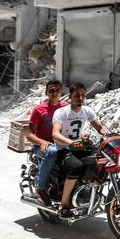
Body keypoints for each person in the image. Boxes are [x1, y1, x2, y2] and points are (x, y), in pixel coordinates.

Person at [52, 83, 109, 217]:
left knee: (101, 159)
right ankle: (64, 202)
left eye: (83, 95)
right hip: (63, 149)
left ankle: (89, 191)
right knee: (76, 166)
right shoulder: (62, 112)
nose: (80, 98)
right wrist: (70, 143)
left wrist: (113, 135)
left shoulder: (87, 111)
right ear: (70, 96)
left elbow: (100, 128)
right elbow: (55, 134)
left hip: (79, 147)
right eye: (77, 95)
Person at [25, 79, 67, 205]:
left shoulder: (66, 107)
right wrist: (41, 142)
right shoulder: (39, 110)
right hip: (42, 146)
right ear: (46, 92)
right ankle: (40, 188)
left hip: (62, 143)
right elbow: (29, 134)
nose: (54, 93)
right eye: (51, 91)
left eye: (57, 90)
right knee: (52, 152)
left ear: (61, 92)